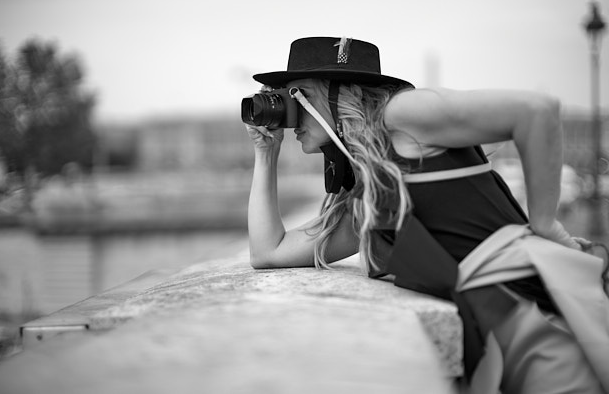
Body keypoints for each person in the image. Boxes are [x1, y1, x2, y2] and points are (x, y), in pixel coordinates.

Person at [244, 36, 609, 394]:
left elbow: (538, 110)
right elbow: (269, 252)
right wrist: (266, 152)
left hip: (536, 318)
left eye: (300, 94)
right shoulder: (374, 195)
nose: (291, 113)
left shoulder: (403, 115)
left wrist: (545, 223)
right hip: (494, 339)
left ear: (338, 95)